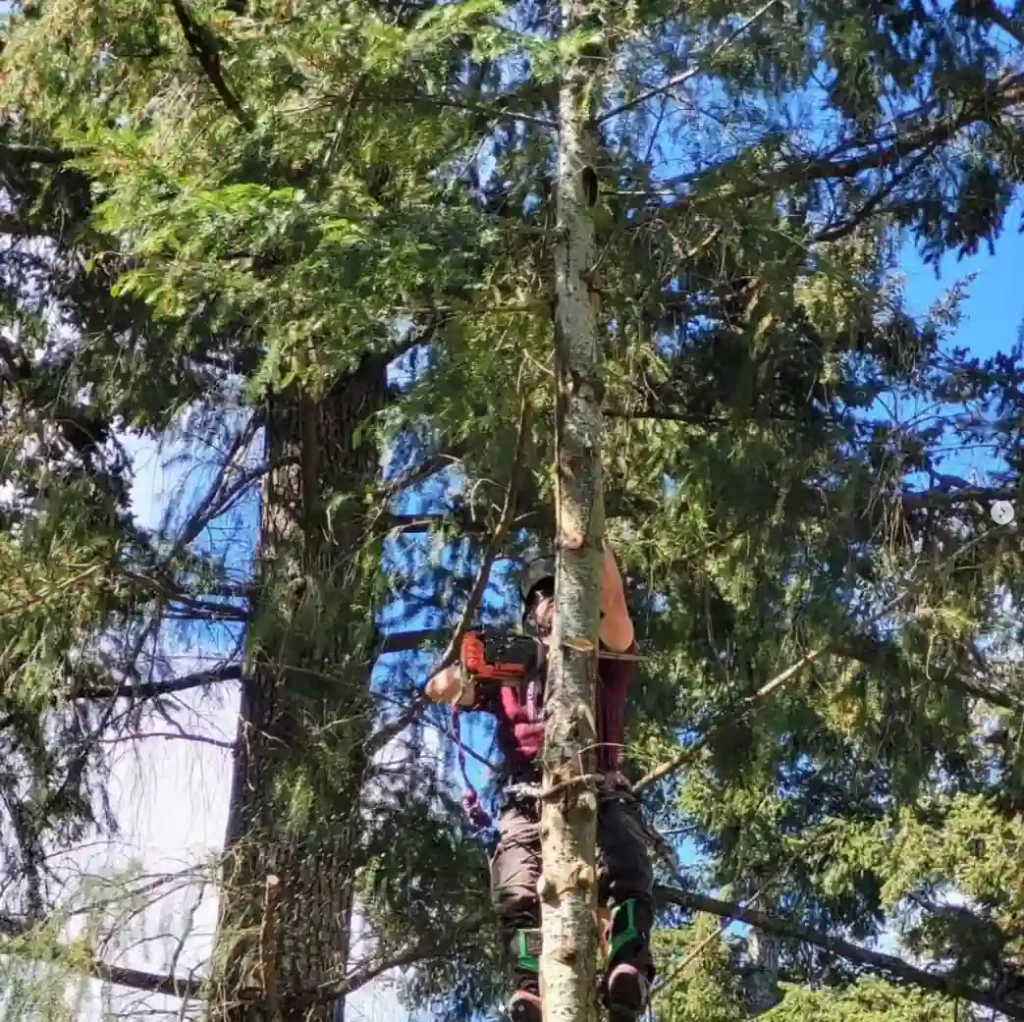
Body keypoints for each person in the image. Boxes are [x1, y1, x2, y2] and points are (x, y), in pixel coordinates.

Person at [426, 545, 656, 1022]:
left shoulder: (603, 652)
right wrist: (474, 666)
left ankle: (627, 965)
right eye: (537, 597)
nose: (547, 602)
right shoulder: (511, 674)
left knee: (627, 863)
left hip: (599, 784)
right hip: (526, 797)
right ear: (529, 614)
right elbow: (439, 689)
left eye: (555, 591)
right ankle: (530, 987)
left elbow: (615, 604)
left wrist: (589, 542)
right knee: (515, 887)